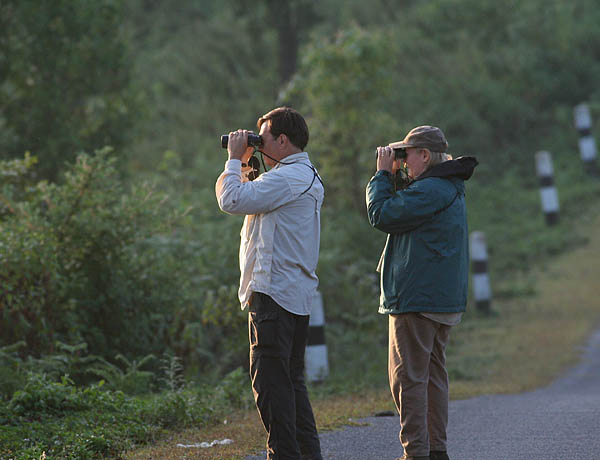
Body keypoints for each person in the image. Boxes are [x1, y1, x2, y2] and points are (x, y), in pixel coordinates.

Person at [215, 107, 324, 460]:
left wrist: (233, 160)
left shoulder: (286, 178)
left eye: (264, 138)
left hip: (274, 296)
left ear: (282, 140)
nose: (259, 145)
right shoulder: (301, 175)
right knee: (290, 385)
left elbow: (231, 200)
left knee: (271, 387)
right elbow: (256, 200)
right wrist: (249, 166)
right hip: (292, 295)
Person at [365, 126, 478, 460]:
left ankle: (415, 452)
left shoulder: (431, 190)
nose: (404, 160)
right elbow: (407, 207)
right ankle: (435, 449)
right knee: (432, 377)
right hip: (439, 299)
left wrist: (382, 176)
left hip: (418, 299)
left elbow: (382, 214)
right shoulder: (445, 187)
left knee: (408, 380)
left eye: (408, 154)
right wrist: (398, 176)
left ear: (425, 155)